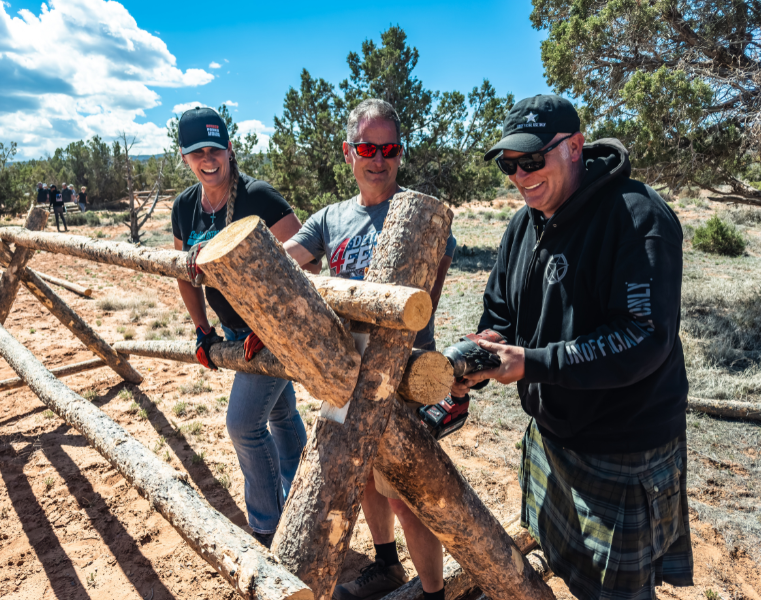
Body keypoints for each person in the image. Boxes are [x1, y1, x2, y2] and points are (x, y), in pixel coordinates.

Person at [452, 94, 693, 600]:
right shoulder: (523, 225)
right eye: (509, 164)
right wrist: (484, 347)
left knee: (621, 593)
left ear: (576, 147)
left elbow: (642, 337)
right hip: (553, 436)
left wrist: (533, 362)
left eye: (533, 160)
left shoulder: (637, 216)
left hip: (624, 450)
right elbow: (501, 311)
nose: (521, 175)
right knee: (556, 560)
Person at [284, 99, 456, 600]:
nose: (377, 159)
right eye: (367, 147)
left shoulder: (419, 214)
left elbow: (428, 300)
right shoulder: (330, 219)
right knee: (360, 475)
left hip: (401, 378)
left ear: (400, 153)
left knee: (406, 493)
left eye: (389, 149)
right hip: (345, 369)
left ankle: (433, 592)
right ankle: (385, 565)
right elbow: (284, 263)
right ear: (348, 153)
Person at [172, 107, 307, 548]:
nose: (207, 159)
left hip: (274, 333)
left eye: (214, 149)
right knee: (283, 414)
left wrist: (271, 323)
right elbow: (183, 272)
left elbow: (308, 261)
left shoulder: (259, 197)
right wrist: (200, 329)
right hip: (233, 332)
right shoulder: (185, 207)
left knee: (243, 424)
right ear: (184, 157)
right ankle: (307, 500)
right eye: (197, 152)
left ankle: (269, 529)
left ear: (230, 150)